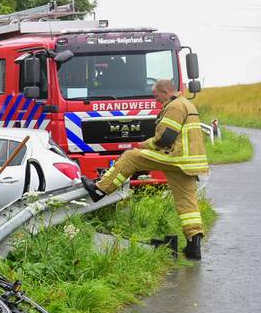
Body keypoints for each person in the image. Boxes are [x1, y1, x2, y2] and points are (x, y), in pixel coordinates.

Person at [82, 79, 208, 259]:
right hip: (188, 163)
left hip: (175, 158)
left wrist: (145, 144)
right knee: (187, 203)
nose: (156, 100)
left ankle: (100, 190)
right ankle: (193, 244)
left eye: (156, 96)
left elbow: (165, 138)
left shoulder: (174, 107)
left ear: (165, 92)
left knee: (130, 157)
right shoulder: (187, 104)